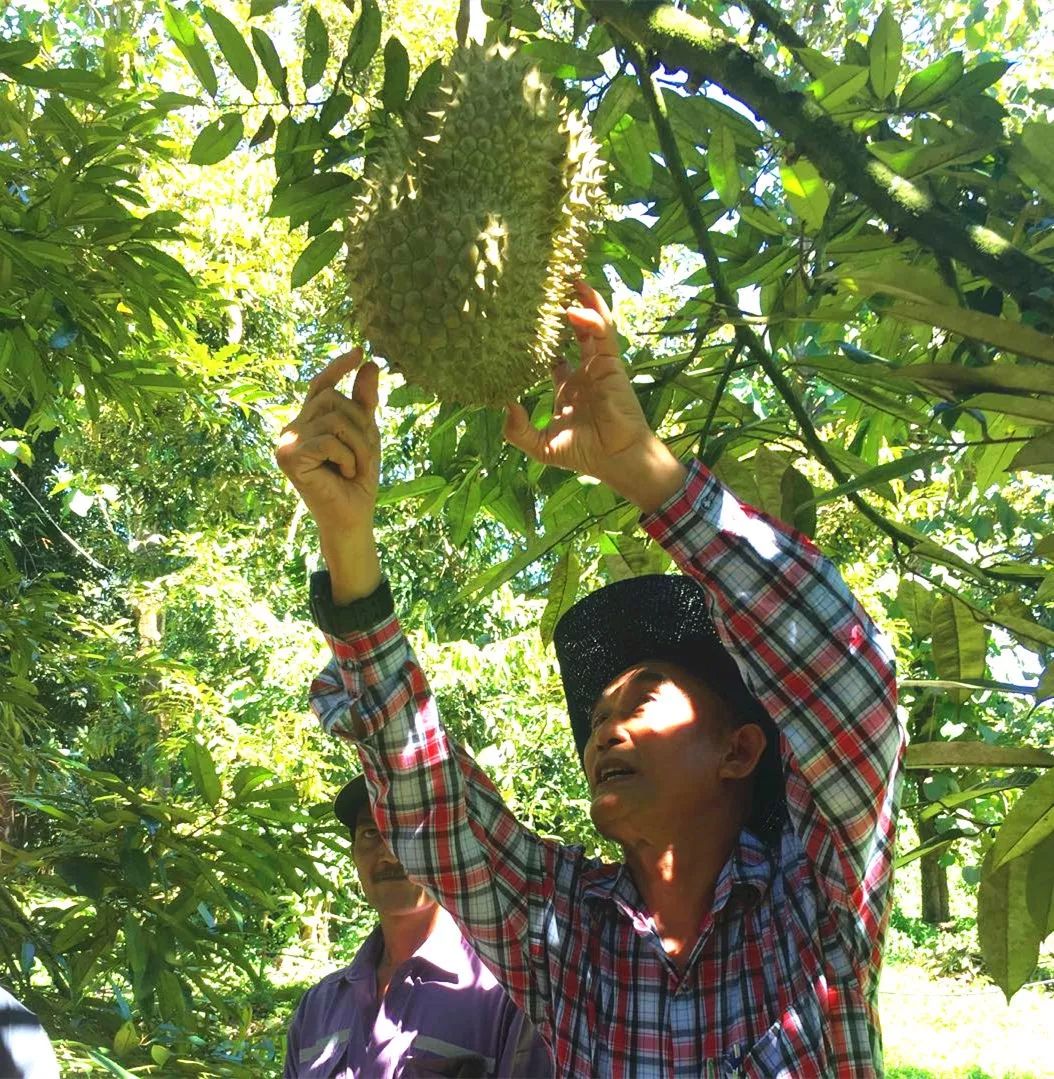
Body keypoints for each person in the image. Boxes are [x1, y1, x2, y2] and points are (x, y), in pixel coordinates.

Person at [276, 281, 904, 1076]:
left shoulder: (814, 904)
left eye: (641, 698)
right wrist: (346, 538)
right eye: (598, 716)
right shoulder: (563, 933)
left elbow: (848, 687)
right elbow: (431, 807)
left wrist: (655, 478)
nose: (604, 728)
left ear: (740, 749)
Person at [284, 774, 551, 1078]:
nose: (388, 854)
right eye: (371, 833)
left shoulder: (508, 996)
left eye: (411, 830)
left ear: (455, 847)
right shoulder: (317, 1007)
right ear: (354, 856)